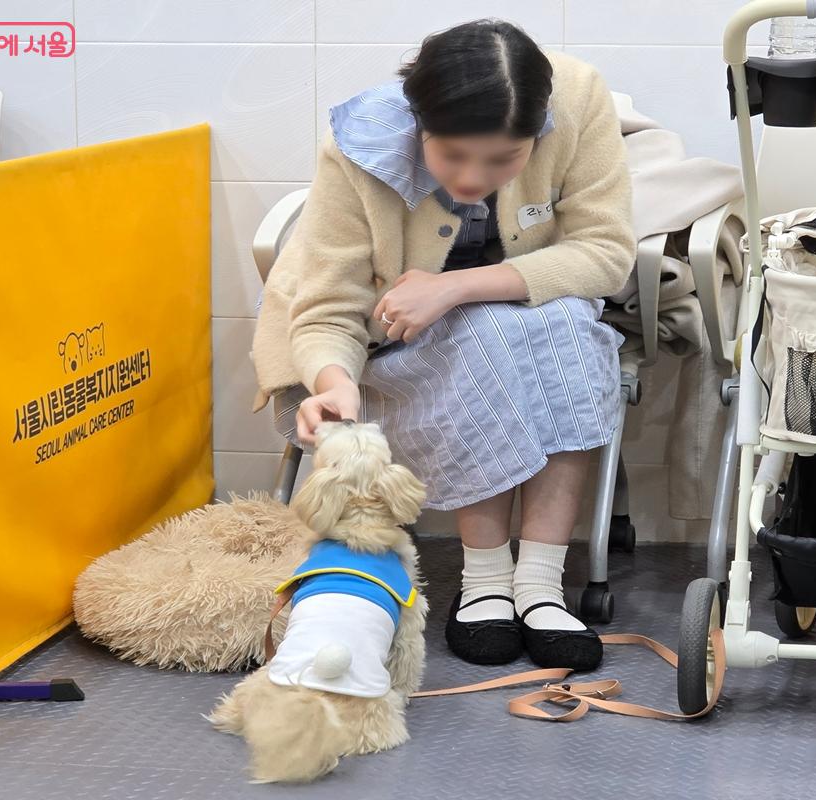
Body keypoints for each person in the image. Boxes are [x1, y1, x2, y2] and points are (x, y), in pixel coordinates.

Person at [251, 18, 635, 672]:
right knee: (481, 338)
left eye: (502, 160)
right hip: (395, 346)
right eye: (451, 155)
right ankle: (485, 580)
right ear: (417, 126)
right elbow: (326, 305)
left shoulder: (577, 99)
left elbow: (604, 256)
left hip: (528, 314)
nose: (471, 178)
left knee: (570, 330)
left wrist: (454, 287)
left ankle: (540, 584)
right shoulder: (359, 146)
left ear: (535, 133)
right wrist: (333, 383)